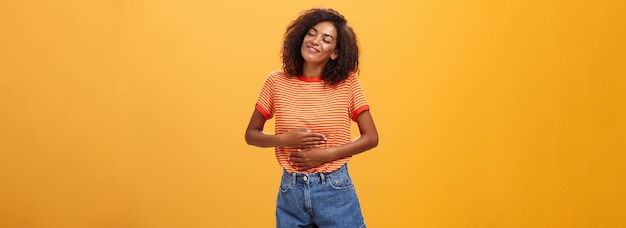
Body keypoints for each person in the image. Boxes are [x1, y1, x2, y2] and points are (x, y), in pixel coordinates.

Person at [245, 8, 378, 228]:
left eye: (326, 39)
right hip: (291, 191)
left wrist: (326, 154)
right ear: (301, 37)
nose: (315, 41)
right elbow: (251, 134)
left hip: (334, 188)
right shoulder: (276, 82)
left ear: (335, 52)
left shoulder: (347, 84)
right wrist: (284, 140)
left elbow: (371, 137)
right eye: (311, 33)